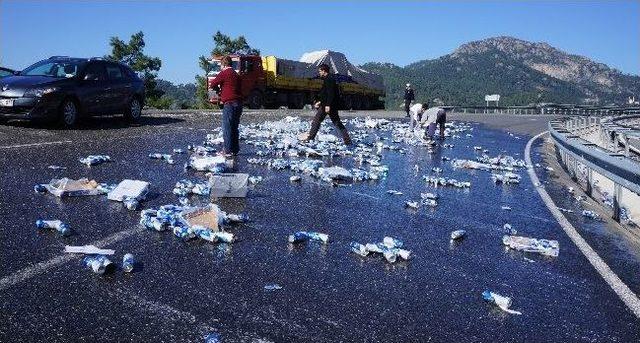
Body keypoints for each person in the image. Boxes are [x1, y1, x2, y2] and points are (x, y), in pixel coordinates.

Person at [302, 63, 352, 145]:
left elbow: (331, 93)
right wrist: (320, 102)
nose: (319, 73)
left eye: (320, 71)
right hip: (327, 104)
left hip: (328, 106)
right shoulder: (329, 79)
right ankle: (347, 140)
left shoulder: (329, 79)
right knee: (336, 122)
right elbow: (325, 94)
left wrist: (328, 105)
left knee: (316, 121)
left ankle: (310, 138)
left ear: (323, 71)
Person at [208, 55, 242, 156]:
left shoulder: (224, 73)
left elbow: (212, 84)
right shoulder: (236, 75)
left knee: (227, 127)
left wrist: (219, 91)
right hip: (239, 104)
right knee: (234, 127)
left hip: (229, 103)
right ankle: (235, 150)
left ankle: (227, 150)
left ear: (223, 64)